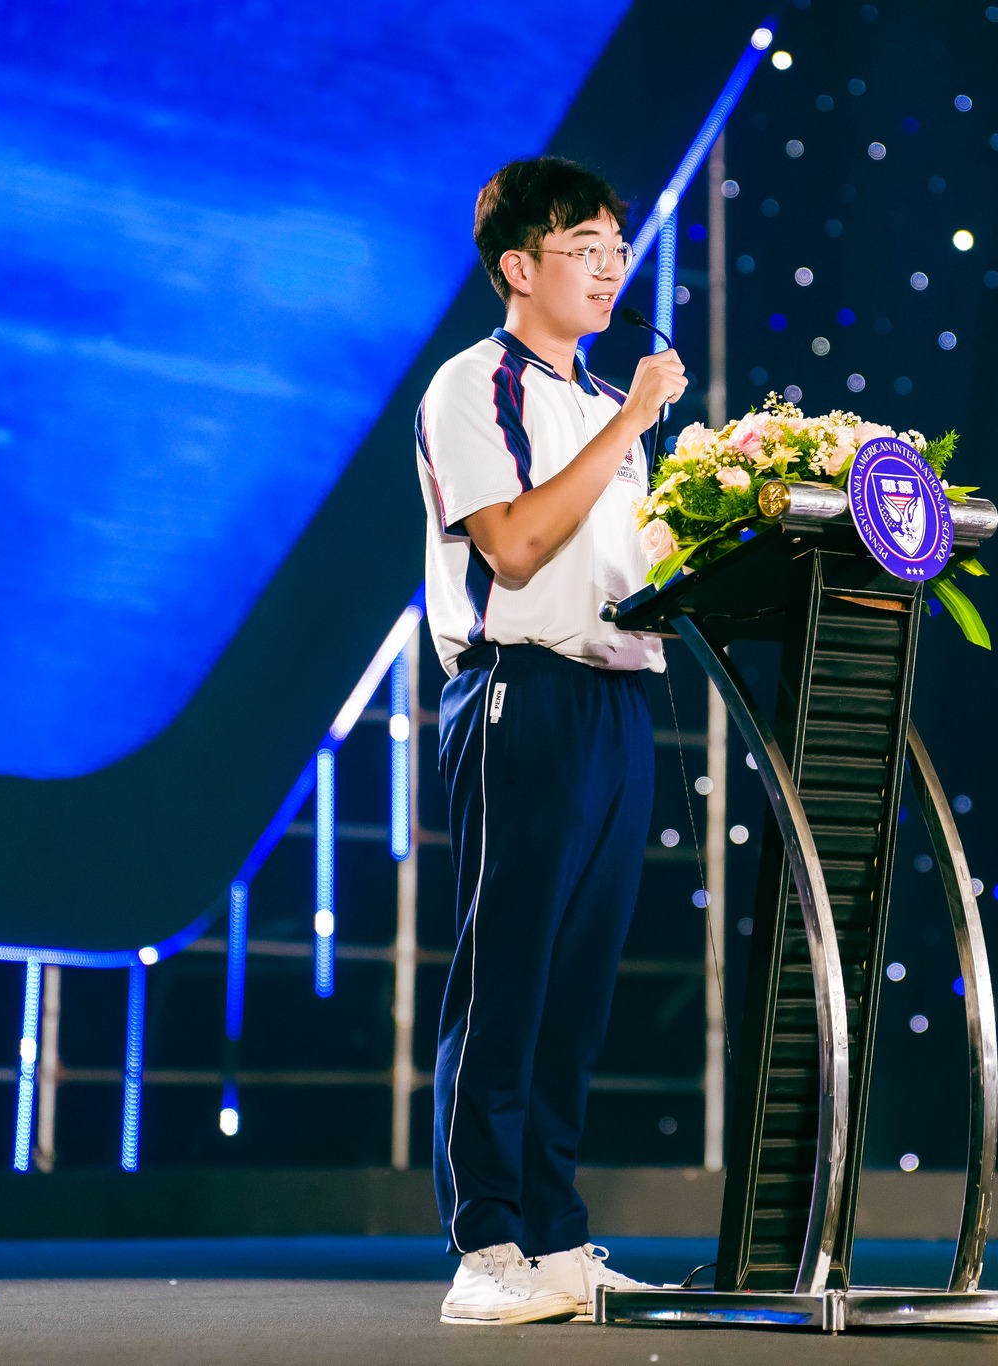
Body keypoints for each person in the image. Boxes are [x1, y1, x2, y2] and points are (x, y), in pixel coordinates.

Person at [414, 156, 687, 1326]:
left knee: (576, 988)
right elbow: (515, 547)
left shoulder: (608, 408)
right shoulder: (472, 385)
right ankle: (485, 1246)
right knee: (507, 978)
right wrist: (630, 421)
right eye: (585, 248)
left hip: (618, 701)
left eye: (617, 248)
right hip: (519, 693)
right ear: (518, 267)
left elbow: (636, 570)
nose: (610, 268)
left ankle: (556, 1240)